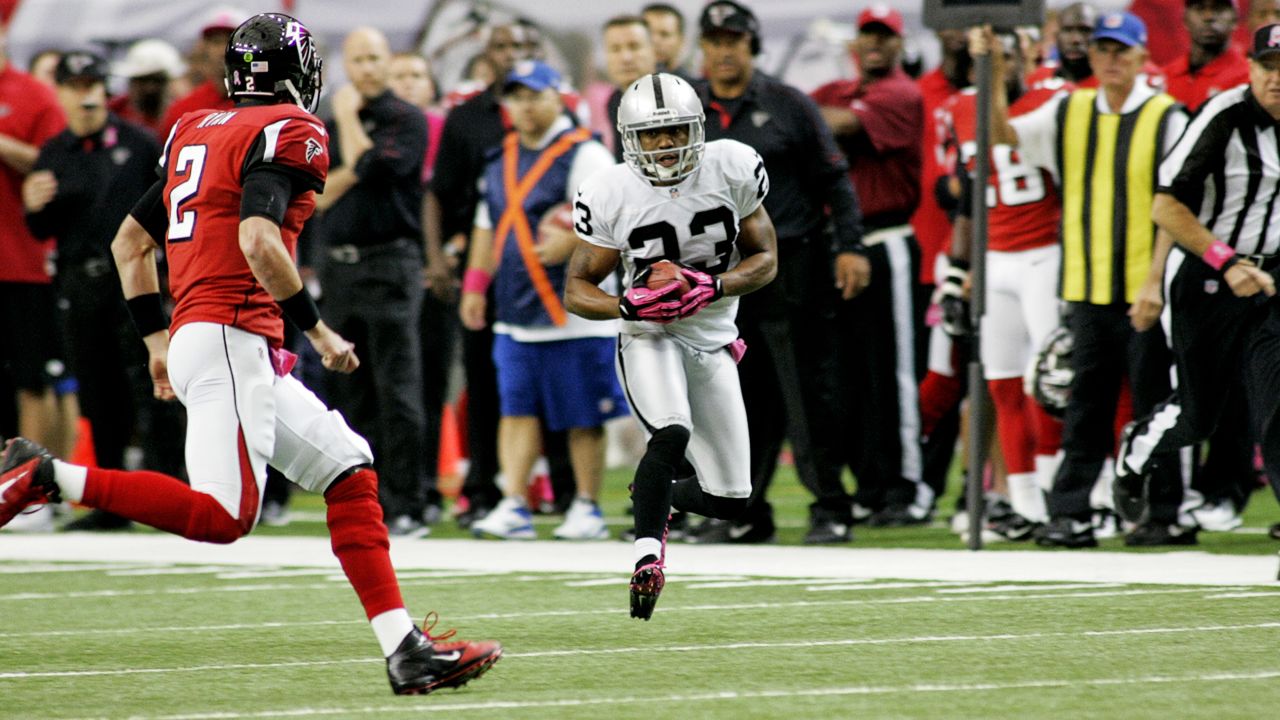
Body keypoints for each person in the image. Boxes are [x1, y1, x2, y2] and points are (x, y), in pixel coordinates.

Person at [0, 13, 501, 694]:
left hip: (207, 336)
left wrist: (157, 342)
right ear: (299, 74)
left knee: (350, 467)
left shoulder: (196, 129)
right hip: (233, 334)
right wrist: (318, 331)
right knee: (224, 516)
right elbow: (260, 240)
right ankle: (47, 477)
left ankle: (405, 649)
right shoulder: (290, 130)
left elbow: (128, 244)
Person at [564, 72, 777, 619]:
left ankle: (653, 495)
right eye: (652, 135)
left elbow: (766, 259)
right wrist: (627, 306)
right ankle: (647, 556)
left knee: (732, 500)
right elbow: (577, 289)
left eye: (676, 130)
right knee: (671, 428)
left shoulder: (731, 167)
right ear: (628, 138)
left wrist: (717, 284)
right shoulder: (610, 190)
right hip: (650, 333)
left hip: (712, 336)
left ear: (698, 129)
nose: (664, 144)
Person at [977, 13, 1192, 547]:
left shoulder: (1167, 117)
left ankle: (1161, 510)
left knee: (1153, 404)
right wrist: (995, 67)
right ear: (1090, 57)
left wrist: (1154, 283)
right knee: (1084, 405)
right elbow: (1002, 134)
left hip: (1147, 287)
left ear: (1143, 58)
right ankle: (1070, 512)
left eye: (1121, 50)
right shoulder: (1069, 109)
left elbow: (1177, 207)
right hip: (1086, 287)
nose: (1111, 60)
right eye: (1103, 50)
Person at [691, 0, 866, 545]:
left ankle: (829, 506)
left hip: (793, 263)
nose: (724, 51)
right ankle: (744, 510)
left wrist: (850, 248)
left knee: (806, 390)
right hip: (722, 274)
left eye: (734, 41)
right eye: (715, 41)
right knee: (734, 395)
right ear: (703, 48)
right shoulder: (689, 109)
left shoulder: (789, 105)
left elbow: (835, 180)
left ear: (752, 46)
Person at [1117, 22, 1280, 542]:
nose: (1277, 79)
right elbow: (1164, 204)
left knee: (1277, 404)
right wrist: (1226, 261)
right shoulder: (1225, 115)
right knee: (1197, 415)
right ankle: (1136, 449)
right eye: (1268, 67)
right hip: (1210, 275)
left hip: (1272, 276)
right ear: (1250, 68)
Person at [460, 60, 626, 541]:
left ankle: (587, 505)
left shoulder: (585, 154)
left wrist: (571, 242)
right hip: (516, 308)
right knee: (515, 410)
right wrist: (475, 285)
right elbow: (486, 227)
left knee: (582, 415)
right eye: (517, 97)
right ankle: (514, 502)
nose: (526, 106)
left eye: (535, 95)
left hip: (575, 310)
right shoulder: (501, 158)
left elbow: (615, 221)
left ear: (559, 97)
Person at [22, 51, 179, 532]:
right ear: (63, 92)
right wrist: (32, 205)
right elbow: (42, 226)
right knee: (98, 393)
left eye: (94, 83)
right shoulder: (54, 152)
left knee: (154, 388)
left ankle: (170, 493)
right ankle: (113, 502)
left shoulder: (139, 144)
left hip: (133, 281)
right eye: (76, 85)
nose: (86, 94)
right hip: (78, 281)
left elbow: (169, 209)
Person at [940, 30, 1066, 539]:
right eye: (992, 60)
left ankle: (1060, 496)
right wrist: (956, 275)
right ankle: (1024, 501)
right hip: (995, 259)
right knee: (1001, 381)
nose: (1000, 67)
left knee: (1050, 379)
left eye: (1008, 58)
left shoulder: (1052, 101)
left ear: (1024, 58)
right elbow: (967, 197)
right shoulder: (960, 109)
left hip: (1043, 252)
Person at [812, 5, 930, 526]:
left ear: (900, 44)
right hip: (838, 245)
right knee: (847, 378)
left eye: (885, 36)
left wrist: (791, 115)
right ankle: (870, 485)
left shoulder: (903, 93)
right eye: (868, 35)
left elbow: (831, 123)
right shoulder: (836, 90)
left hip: (887, 243)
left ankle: (906, 487)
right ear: (855, 42)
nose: (876, 44)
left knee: (895, 375)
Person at [315, 27, 430, 538]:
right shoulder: (323, 125)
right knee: (349, 391)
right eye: (357, 59)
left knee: (397, 389)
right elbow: (318, 194)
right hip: (339, 268)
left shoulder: (406, 118)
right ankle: (362, 499)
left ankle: (406, 500)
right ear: (346, 62)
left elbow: (368, 164)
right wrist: (351, 170)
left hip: (391, 264)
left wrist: (345, 119)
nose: (366, 68)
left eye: (374, 58)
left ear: (388, 62)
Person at [425, 24, 540, 528]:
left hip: (543, 271)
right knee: (484, 380)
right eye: (503, 46)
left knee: (545, 378)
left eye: (520, 47)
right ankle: (482, 489)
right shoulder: (466, 119)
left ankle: (554, 486)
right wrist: (436, 258)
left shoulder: (554, 114)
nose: (512, 54)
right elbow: (440, 193)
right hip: (485, 268)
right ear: (486, 56)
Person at [0, 20, 68, 473]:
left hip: (21, 260)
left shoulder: (31, 93)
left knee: (32, 378)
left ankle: (30, 483)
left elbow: (61, 163)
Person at [387, 50, 450, 526]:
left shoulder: (443, 130)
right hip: (389, 271)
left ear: (431, 85)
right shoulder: (377, 127)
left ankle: (426, 485)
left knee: (428, 383)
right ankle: (390, 486)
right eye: (399, 76)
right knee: (391, 387)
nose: (408, 83)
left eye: (416, 74)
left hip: (432, 273)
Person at [159, 7, 242, 134]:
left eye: (231, 41)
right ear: (205, 47)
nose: (222, 50)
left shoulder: (264, 102)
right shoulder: (184, 109)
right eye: (216, 42)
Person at [602, 15, 657, 161]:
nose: (626, 58)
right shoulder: (614, 102)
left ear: (653, 50)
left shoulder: (678, 94)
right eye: (615, 49)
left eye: (634, 47)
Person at [109, 38, 186, 141]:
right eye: (143, 80)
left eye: (157, 81)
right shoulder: (114, 112)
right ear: (131, 82)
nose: (150, 88)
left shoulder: (183, 117)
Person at [642, 3, 690, 77]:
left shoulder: (695, 87)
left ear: (681, 41)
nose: (655, 41)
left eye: (664, 34)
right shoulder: (625, 86)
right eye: (648, 33)